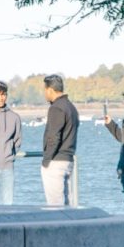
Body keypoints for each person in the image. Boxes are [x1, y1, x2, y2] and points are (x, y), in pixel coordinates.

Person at [40, 74, 79, 205]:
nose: (44, 93)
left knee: (55, 204)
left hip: (56, 161)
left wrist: (46, 160)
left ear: (50, 90)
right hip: (68, 159)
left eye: (45, 90)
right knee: (68, 203)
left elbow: (54, 137)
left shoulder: (56, 108)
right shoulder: (71, 107)